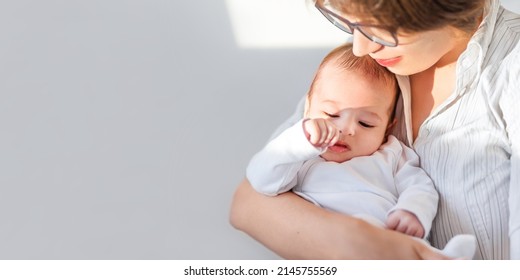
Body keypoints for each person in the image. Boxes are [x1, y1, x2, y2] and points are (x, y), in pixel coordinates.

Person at [230, 0, 520, 260]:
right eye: (349, 20)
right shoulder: (362, 65)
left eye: (383, 28)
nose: (360, 47)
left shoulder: (511, 66)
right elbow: (248, 203)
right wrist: (360, 241)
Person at [245, 43, 476, 258]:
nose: (346, 129)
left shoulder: (391, 154)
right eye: (331, 115)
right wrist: (300, 141)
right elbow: (262, 180)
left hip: (388, 236)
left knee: (412, 252)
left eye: (365, 123)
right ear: (308, 108)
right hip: (330, 245)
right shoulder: (303, 154)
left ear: (388, 128)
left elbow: (420, 187)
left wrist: (413, 212)